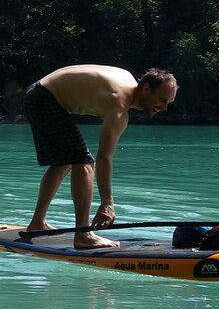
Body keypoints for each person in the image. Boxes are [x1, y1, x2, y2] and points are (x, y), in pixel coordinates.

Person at [23, 65, 178, 250]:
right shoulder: (119, 105)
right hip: (43, 98)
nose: (165, 107)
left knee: (64, 162)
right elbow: (104, 157)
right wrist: (107, 204)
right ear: (145, 88)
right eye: (162, 99)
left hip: (38, 93)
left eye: (169, 102)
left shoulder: (127, 78)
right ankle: (84, 235)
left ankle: (37, 223)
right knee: (84, 162)